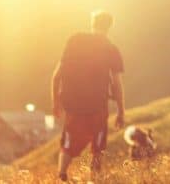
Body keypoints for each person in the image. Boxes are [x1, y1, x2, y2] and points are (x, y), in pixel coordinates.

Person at [52, 10, 125, 181]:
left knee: (68, 142)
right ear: (109, 26)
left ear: (92, 23)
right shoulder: (111, 49)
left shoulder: (75, 41)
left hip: (72, 104)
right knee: (98, 144)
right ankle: (95, 177)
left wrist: (55, 101)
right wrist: (121, 111)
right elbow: (117, 84)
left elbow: (57, 75)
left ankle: (61, 175)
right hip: (97, 105)